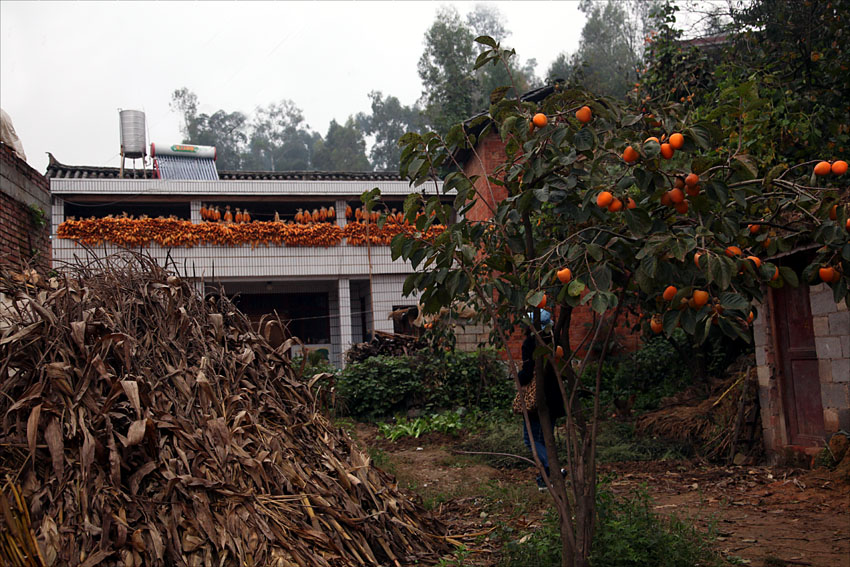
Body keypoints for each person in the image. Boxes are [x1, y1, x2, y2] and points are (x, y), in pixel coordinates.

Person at [517, 310, 567, 490]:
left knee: (531, 440)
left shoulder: (531, 343)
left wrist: (518, 377)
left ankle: (554, 469)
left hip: (538, 398)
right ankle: (545, 480)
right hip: (554, 397)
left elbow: (528, 372)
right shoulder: (556, 342)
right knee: (546, 438)